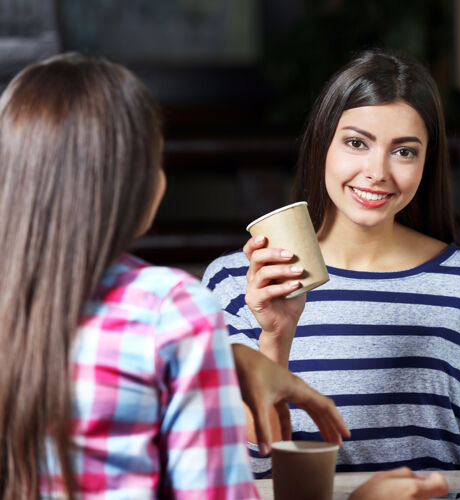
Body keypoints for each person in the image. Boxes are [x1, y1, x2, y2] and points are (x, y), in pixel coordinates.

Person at [0, 53, 425, 500]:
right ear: (137, 182)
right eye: (156, 159)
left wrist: (240, 357)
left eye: (404, 150)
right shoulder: (171, 308)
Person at [203, 48, 460, 478]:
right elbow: (238, 471)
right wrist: (275, 339)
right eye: (356, 143)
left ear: (426, 163)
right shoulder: (235, 282)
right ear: (322, 144)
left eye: (404, 151)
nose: (377, 171)